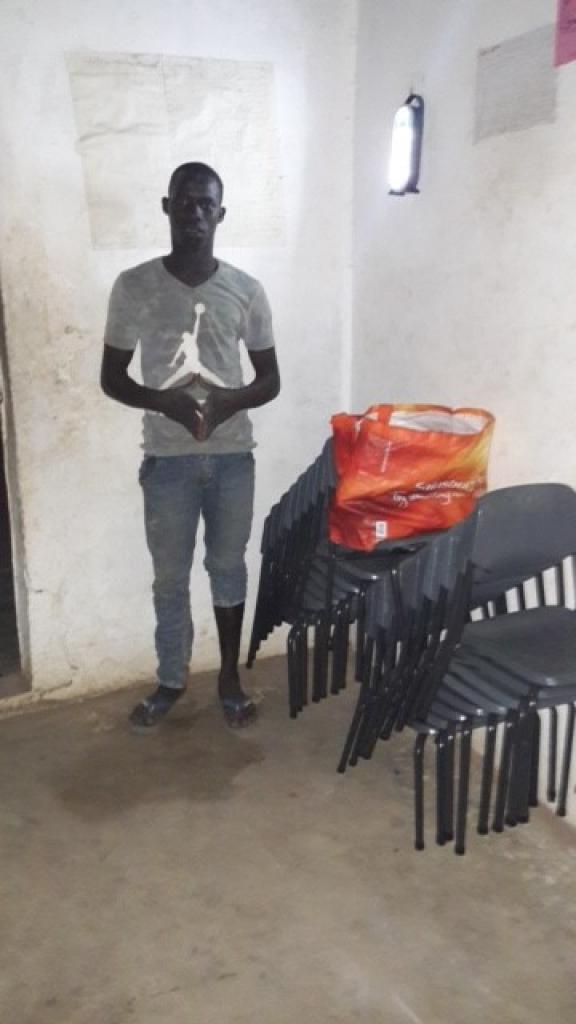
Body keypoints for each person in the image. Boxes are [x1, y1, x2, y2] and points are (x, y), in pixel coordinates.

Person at [101, 162, 280, 731]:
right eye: (185, 201)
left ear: (221, 214)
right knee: (169, 579)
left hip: (232, 459)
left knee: (228, 569)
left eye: (206, 204)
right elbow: (111, 378)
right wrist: (164, 402)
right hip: (168, 463)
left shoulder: (246, 290)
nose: (195, 213)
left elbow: (270, 380)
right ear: (167, 206)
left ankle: (229, 678)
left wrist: (229, 402)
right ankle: (171, 680)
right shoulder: (134, 286)